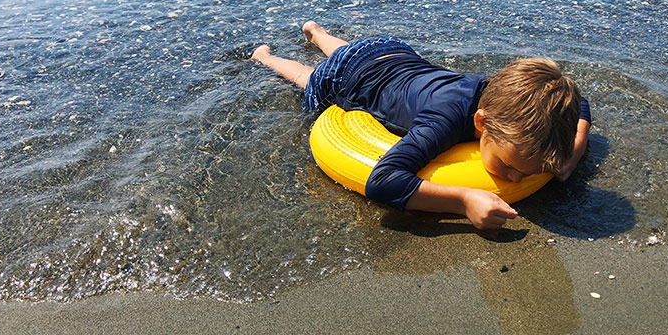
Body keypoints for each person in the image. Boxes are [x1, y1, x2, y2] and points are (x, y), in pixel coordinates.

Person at [251, 22, 591, 230]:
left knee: (346, 50)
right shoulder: (443, 121)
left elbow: (579, 103)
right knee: (304, 77)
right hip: (347, 79)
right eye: (510, 166)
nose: (516, 179)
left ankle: (318, 33)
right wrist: (463, 200)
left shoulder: (500, 93)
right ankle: (265, 57)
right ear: (480, 122)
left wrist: (572, 154)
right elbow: (382, 182)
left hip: (390, 52)